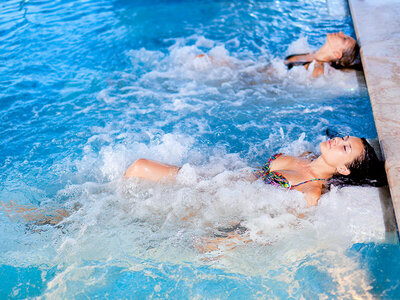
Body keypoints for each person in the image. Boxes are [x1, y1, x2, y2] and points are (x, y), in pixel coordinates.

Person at [124, 135, 386, 206]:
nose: (338, 140)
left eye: (344, 148)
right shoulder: (305, 155)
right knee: (138, 167)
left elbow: (275, 229)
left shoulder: (311, 191)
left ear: (343, 168)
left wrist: (223, 245)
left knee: (140, 168)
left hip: (211, 198)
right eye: (344, 139)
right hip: (214, 177)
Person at [284, 31, 361, 78]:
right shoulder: (311, 53)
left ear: (337, 54)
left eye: (344, 39)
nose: (341, 32)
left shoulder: (318, 69)